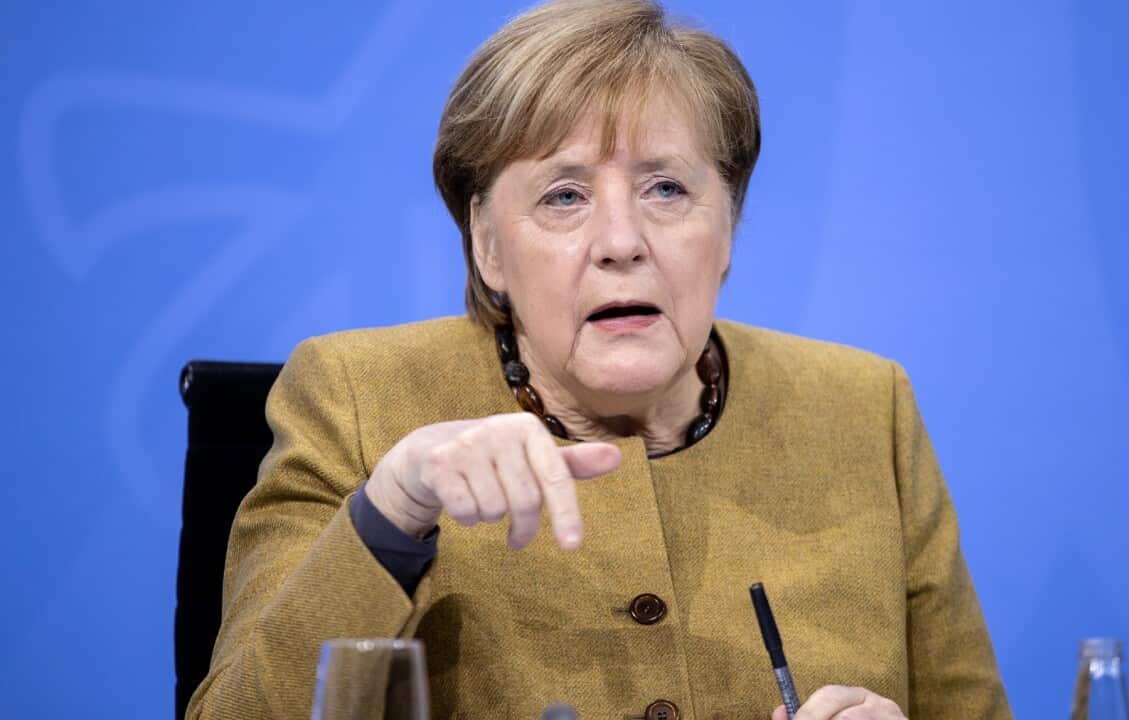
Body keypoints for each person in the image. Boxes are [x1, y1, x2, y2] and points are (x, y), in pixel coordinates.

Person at [186, 1, 1013, 718]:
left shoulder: (864, 408)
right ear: (487, 246)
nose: (622, 243)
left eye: (666, 190)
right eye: (564, 196)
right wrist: (393, 510)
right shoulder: (357, 398)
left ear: (727, 227)